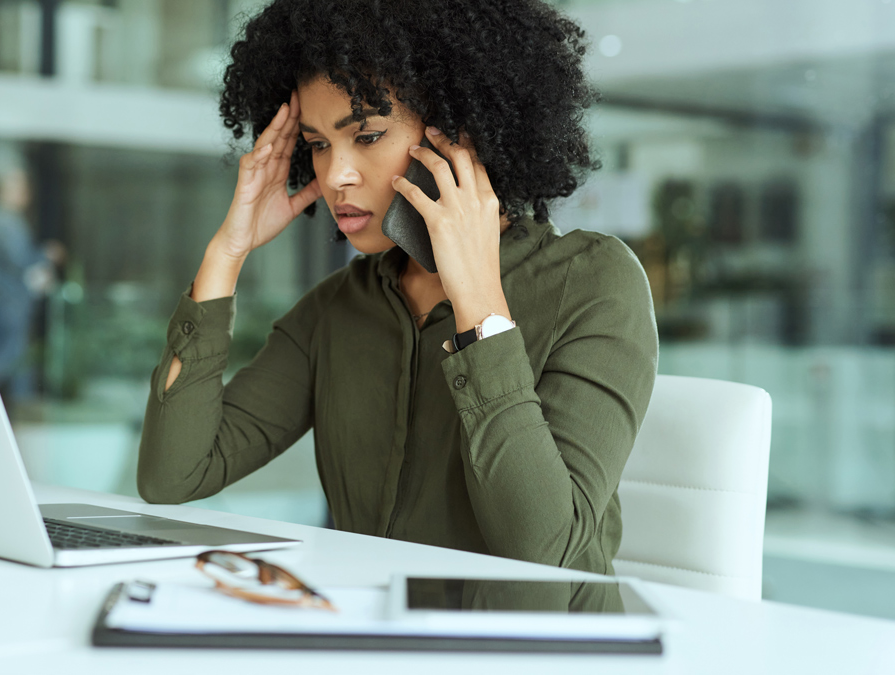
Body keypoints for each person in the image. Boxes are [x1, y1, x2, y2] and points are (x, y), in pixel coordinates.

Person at [137, 0, 658, 595]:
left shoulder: (592, 281)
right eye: (318, 144)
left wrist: (479, 307)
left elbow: (546, 549)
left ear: (459, 131)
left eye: (367, 136)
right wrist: (226, 253)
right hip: (369, 633)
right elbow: (172, 476)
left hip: (537, 643)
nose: (336, 175)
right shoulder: (338, 307)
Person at [0, 161, 65, 409]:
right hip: (5, 303)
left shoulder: (9, 220)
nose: (25, 193)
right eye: (18, 186)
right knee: (5, 360)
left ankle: (17, 408)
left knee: (16, 361)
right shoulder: (0, 221)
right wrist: (45, 254)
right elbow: (19, 260)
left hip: (12, 302)